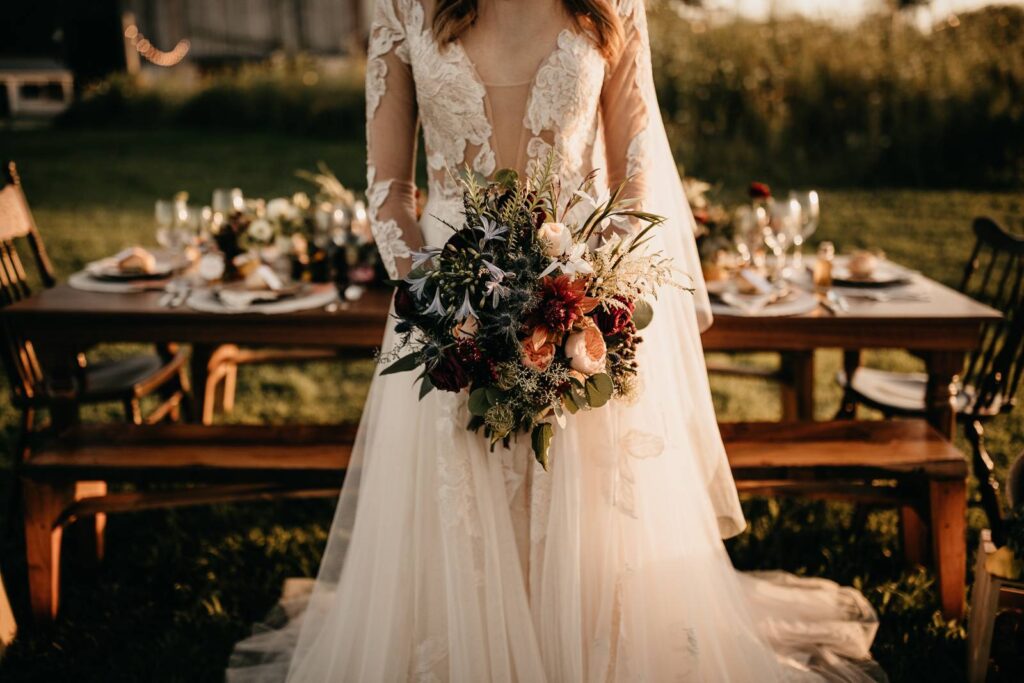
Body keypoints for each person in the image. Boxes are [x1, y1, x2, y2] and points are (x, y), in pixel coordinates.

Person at [229, 0, 883, 679]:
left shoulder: (613, 5)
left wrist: (586, 289)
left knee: (586, 510)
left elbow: (635, 175)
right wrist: (441, 299)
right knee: (464, 501)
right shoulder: (402, 7)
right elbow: (389, 188)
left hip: (579, 300)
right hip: (449, 304)